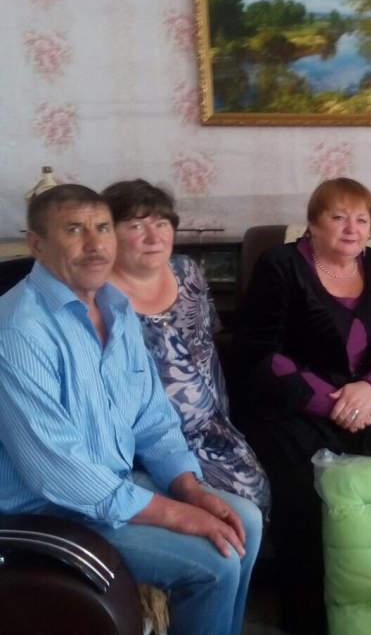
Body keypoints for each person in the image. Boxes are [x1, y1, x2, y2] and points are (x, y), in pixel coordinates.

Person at [0, 185, 261, 635]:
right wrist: (177, 514)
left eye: (102, 228)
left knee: (247, 522)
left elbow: (153, 418)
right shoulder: (19, 330)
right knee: (214, 562)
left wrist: (190, 490)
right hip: (45, 510)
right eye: (74, 230)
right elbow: (58, 472)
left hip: (111, 485)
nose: (95, 244)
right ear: (37, 243)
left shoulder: (115, 308)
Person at [233, 177, 371, 634]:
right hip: (297, 403)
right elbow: (260, 353)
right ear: (314, 223)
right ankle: (310, 618)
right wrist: (334, 402)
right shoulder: (279, 265)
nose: (351, 228)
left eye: (362, 219)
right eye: (338, 217)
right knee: (305, 490)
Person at [102, 179, 271, 518]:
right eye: (136, 226)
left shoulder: (187, 271)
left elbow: (210, 347)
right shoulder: (100, 300)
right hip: (150, 444)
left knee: (256, 492)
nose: (154, 237)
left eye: (162, 224)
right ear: (108, 234)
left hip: (215, 428)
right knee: (228, 513)